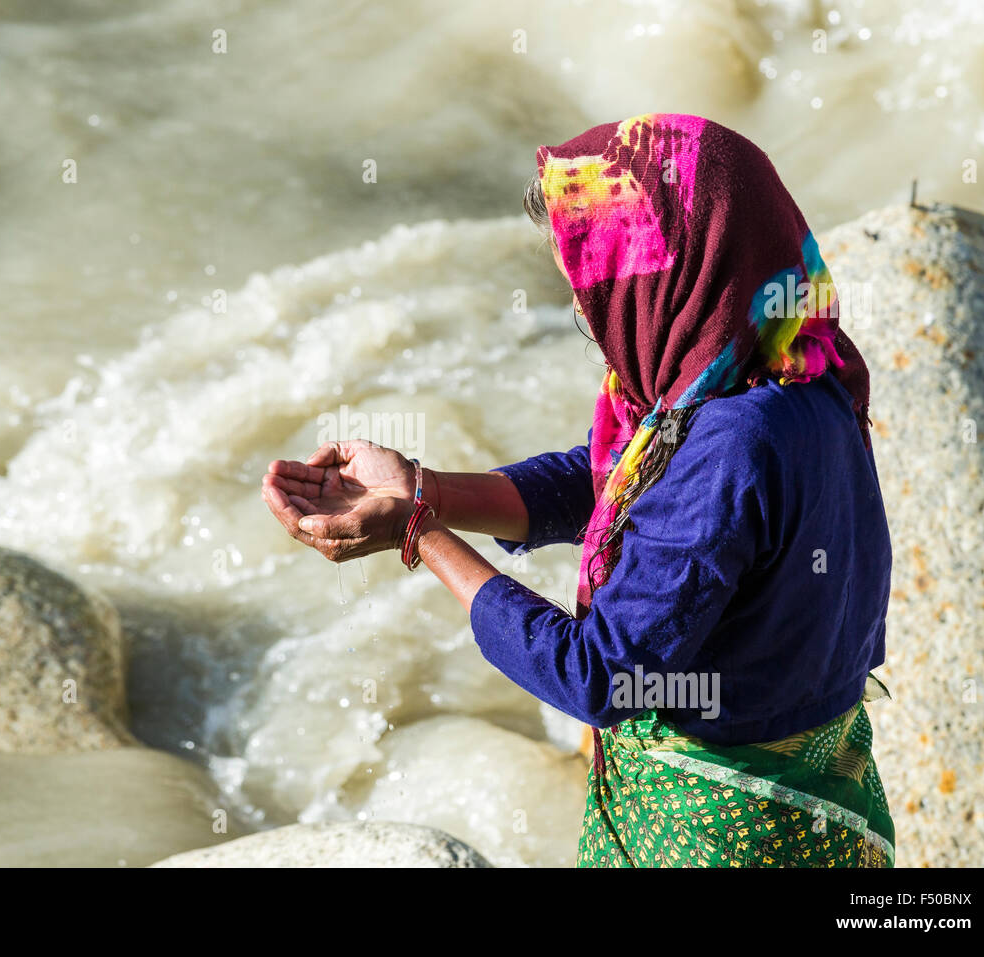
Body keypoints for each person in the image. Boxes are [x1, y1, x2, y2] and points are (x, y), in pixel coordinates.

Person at [262, 114, 894, 867]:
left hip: (720, 834)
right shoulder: (796, 372)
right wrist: (426, 486)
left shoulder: (734, 441)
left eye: (594, 289)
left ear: (665, 279)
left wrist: (421, 533)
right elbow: (621, 479)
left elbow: (600, 674)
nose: (585, 314)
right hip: (824, 799)